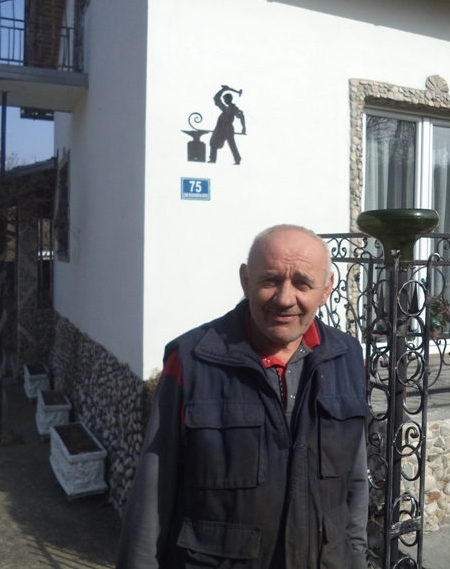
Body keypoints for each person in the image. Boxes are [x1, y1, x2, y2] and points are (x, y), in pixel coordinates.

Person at [116, 225, 369, 569]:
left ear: (326, 289)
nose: (284, 298)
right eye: (270, 280)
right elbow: (152, 497)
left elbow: (354, 482)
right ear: (245, 280)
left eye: (302, 284)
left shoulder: (347, 356)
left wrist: (355, 557)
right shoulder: (191, 360)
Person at [209, 86, 246, 165]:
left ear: (229, 99)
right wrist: (223, 90)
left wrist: (243, 127)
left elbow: (241, 116)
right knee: (216, 143)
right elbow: (216, 99)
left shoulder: (231, 108)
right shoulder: (226, 108)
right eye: (224, 100)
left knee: (225, 143)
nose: (224, 101)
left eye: (225, 99)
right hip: (223, 129)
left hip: (226, 129)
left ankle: (236, 159)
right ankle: (213, 159)